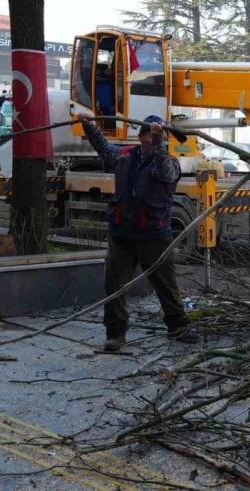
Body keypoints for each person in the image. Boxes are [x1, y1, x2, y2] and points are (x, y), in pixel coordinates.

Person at [76, 113, 197, 351]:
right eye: (149, 135)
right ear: (141, 137)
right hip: (122, 233)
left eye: (156, 137)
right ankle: (115, 333)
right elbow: (103, 148)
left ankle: (177, 326)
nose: (151, 140)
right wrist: (89, 126)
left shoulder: (168, 162)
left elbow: (166, 174)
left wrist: (160, 142)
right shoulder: (124, 157)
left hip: (153, 236)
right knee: (114, 285)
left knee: (166, 284)